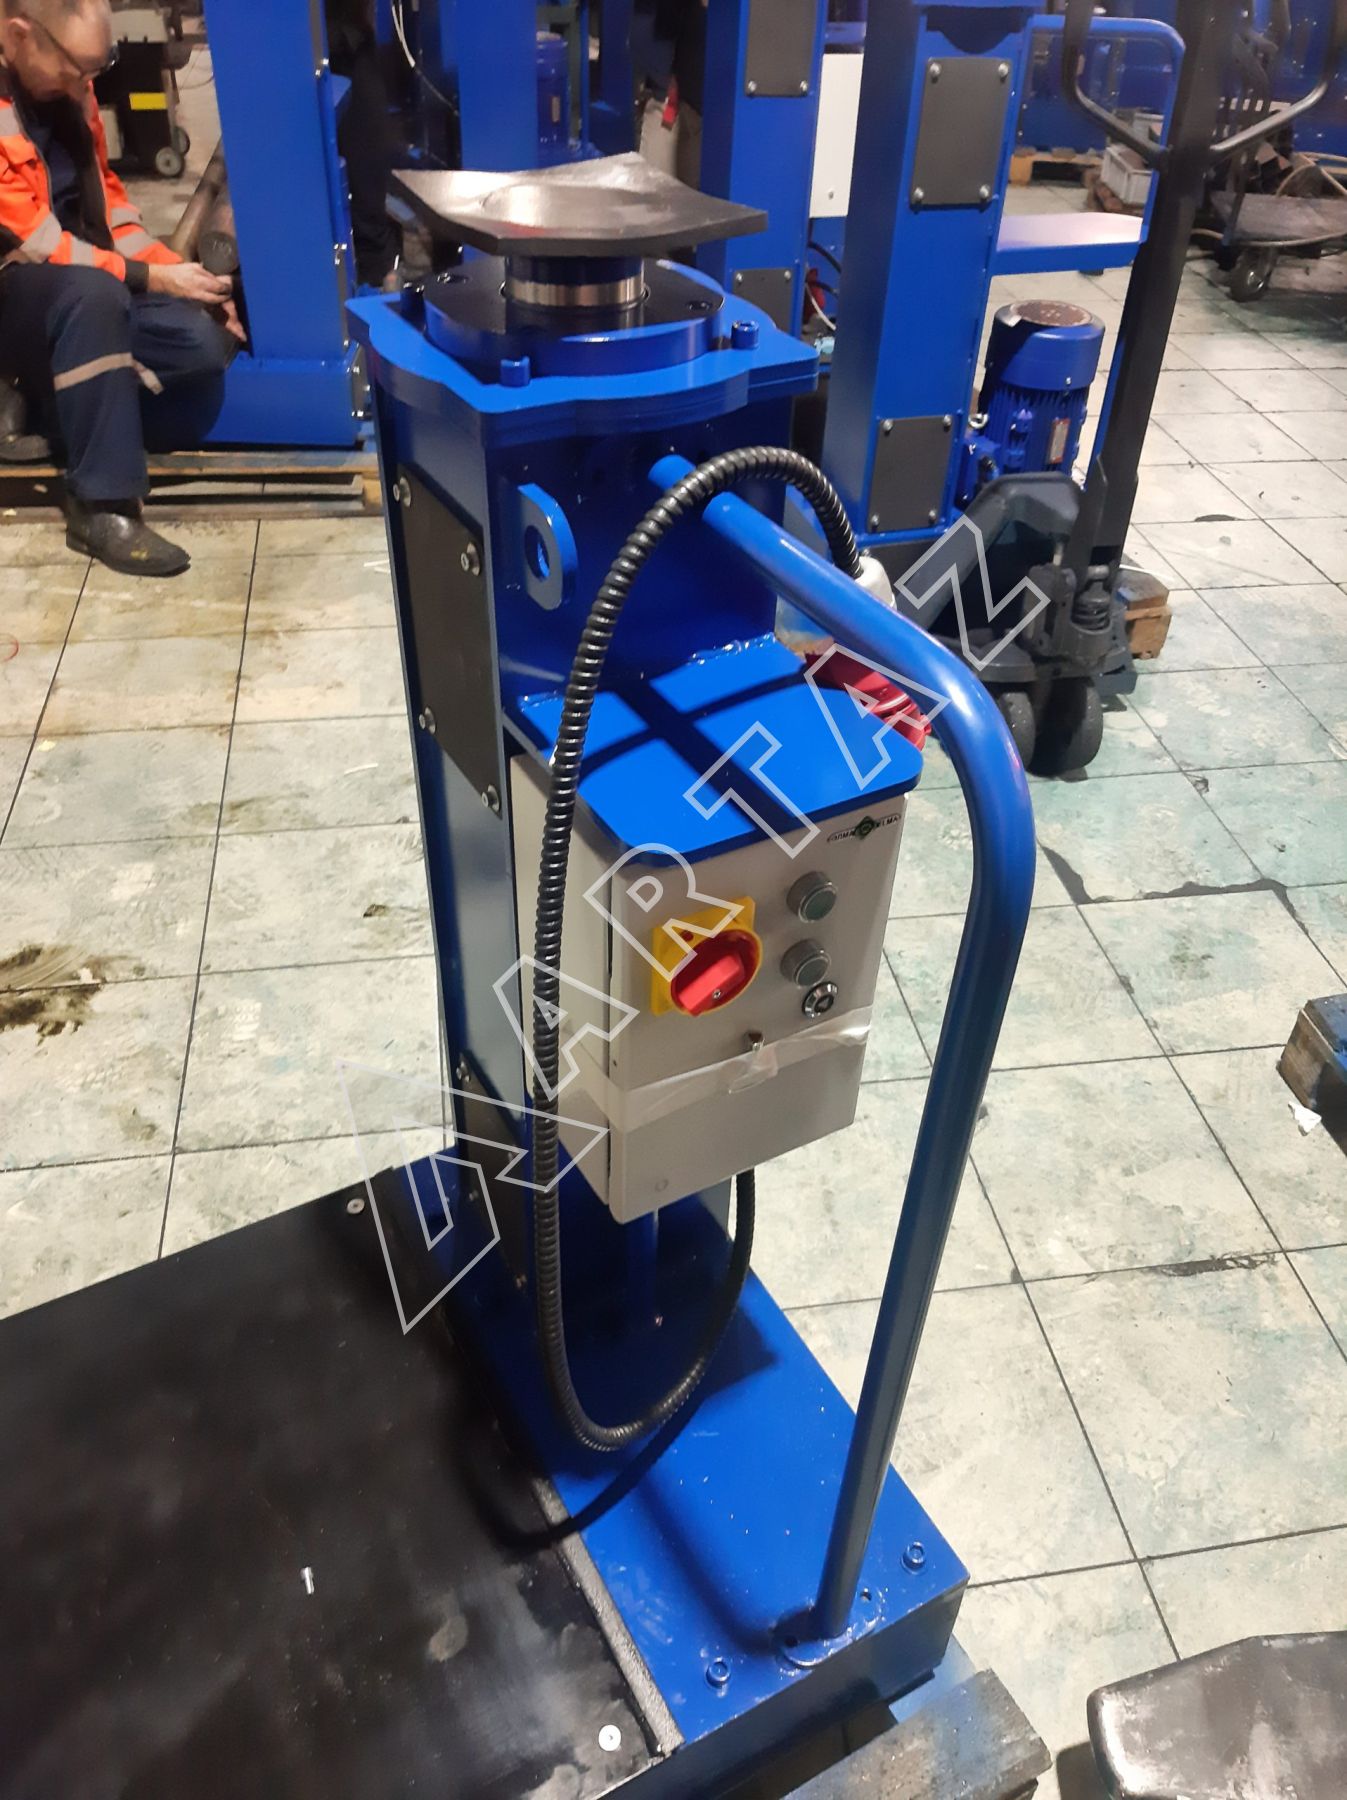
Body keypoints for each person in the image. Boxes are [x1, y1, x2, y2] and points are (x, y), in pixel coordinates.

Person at [0, 0, 244, 576]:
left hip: (84, 292)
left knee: (202, 344)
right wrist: (150, 278)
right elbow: (36, 243)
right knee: (93, 297)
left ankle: (46, 408)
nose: (85, 84)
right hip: (17, 291)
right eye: (75, 68)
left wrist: (182, 278)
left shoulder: (70, 90)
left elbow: (110, 213)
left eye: (95, 68)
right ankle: (103, 505)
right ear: (19, 35)